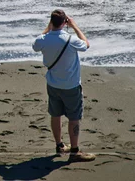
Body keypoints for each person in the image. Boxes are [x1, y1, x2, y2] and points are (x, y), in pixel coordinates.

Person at [32, 9, 96, 162]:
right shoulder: (70, 39)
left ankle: (59, 145)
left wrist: (49, 27)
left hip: (53, 84)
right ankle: (74, 151)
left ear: (51, 22)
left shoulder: (43, 39)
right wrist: (75, 26)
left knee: (55, 115)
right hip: (71, 85)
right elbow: (86, 45)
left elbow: (36, 44)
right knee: (74, 117)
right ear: (64, 23)